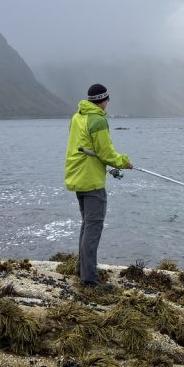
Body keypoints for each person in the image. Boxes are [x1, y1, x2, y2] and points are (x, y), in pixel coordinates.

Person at [64, 83, 133, 287]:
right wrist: (123, 162)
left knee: (87, 225)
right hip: (91, 180)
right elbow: (106, 153)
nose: (108, 103)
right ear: (104, 100)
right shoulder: (98, 121)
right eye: (108, 100)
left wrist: (109, 166)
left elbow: (88, 148)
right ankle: (90, 279)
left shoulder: (78, 117)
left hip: (78, 177)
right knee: (93, 228)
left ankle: (82, 269)